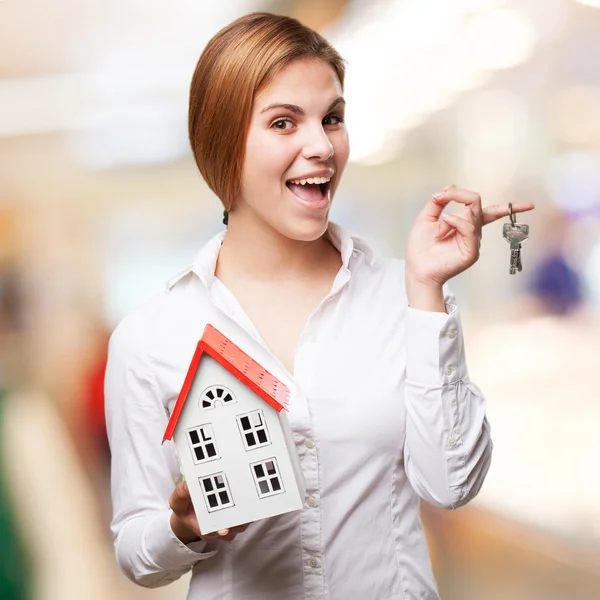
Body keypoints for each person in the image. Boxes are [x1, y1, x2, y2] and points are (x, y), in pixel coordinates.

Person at [104, 12, 535, 600]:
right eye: (284, 122)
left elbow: (452, 484)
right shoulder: (151, 337)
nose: (321, 146)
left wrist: (427, 290)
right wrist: (182, 527)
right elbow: (135, 548)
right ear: (223, 142)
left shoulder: (402, 296)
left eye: (332, 118)